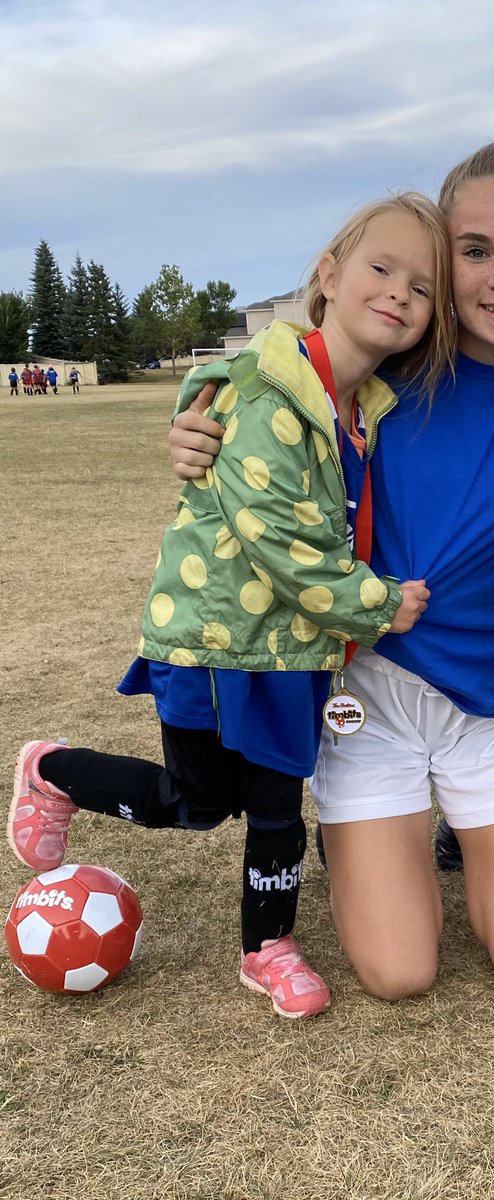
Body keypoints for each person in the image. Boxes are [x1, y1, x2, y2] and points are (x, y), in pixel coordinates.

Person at [170, 123, 494, 1001]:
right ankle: (380, 832)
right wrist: (198, 422)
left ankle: (456, 825)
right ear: (443, 265)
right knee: (399, 974)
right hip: (368, 695)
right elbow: (273, 383)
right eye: (474, 251)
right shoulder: (381, 372)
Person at [8, 192, 453, 1019]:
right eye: (381, 268)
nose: (400, 293)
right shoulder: (264, 391)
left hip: (295, 653)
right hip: (213, 643)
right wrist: (379, 605)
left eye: (422, 288)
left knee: (280, 805)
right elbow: (280, 541)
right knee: (198, 803)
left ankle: (267, 947)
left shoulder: (369, 407)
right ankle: (51, 770)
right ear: (328, 273)